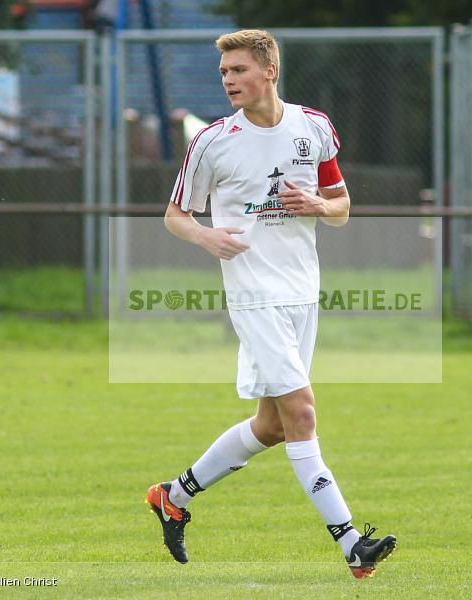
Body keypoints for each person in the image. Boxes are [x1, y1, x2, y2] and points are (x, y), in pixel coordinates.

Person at [146, 29, 396, 578]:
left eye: (238, 70)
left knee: (274, 425)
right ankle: (352, 543)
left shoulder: (314, 127)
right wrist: (208, 238)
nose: (229, 80)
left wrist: (315, 204)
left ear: (269, 71)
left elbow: (342, 206)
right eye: (224, 73)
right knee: (302, 411)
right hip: (253, 295)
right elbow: (175, 215)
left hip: (303, 290)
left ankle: (174, 496)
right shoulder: (213, 142)